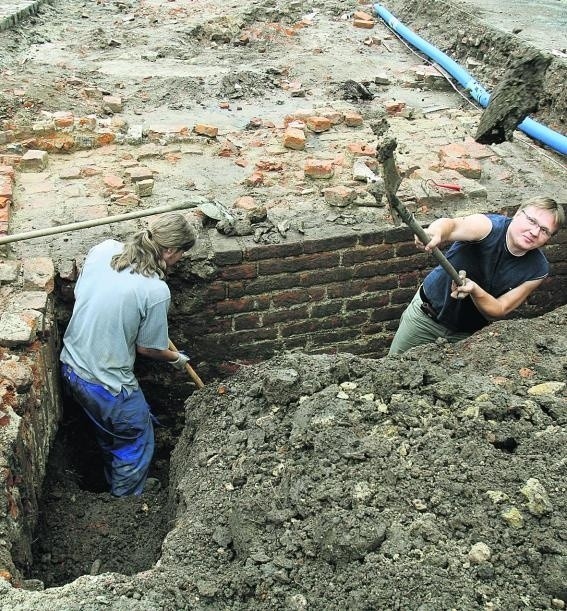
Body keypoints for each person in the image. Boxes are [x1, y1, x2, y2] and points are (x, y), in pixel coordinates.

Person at [60, 212, 197, 496]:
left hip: (71, 366)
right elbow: (148, 348)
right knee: (136, 435)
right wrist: (177, 359)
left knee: (112, 432)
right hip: (106, 385)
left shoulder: (104, 249)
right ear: (170, 250)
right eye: (182, 252)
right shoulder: (155, 290)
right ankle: (127, 502)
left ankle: (118, 479)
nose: (181, 259)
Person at [389, 196, 564, 355]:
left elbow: (500, 309)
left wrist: (475, 290)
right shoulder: (487, 227)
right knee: (393, 373)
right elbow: (453, 226)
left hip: (467, 337)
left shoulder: (537, 269)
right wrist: (435, 232)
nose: (534, 232)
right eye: (532, 221)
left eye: (544, 230)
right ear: (518, 213)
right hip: (424, 319)